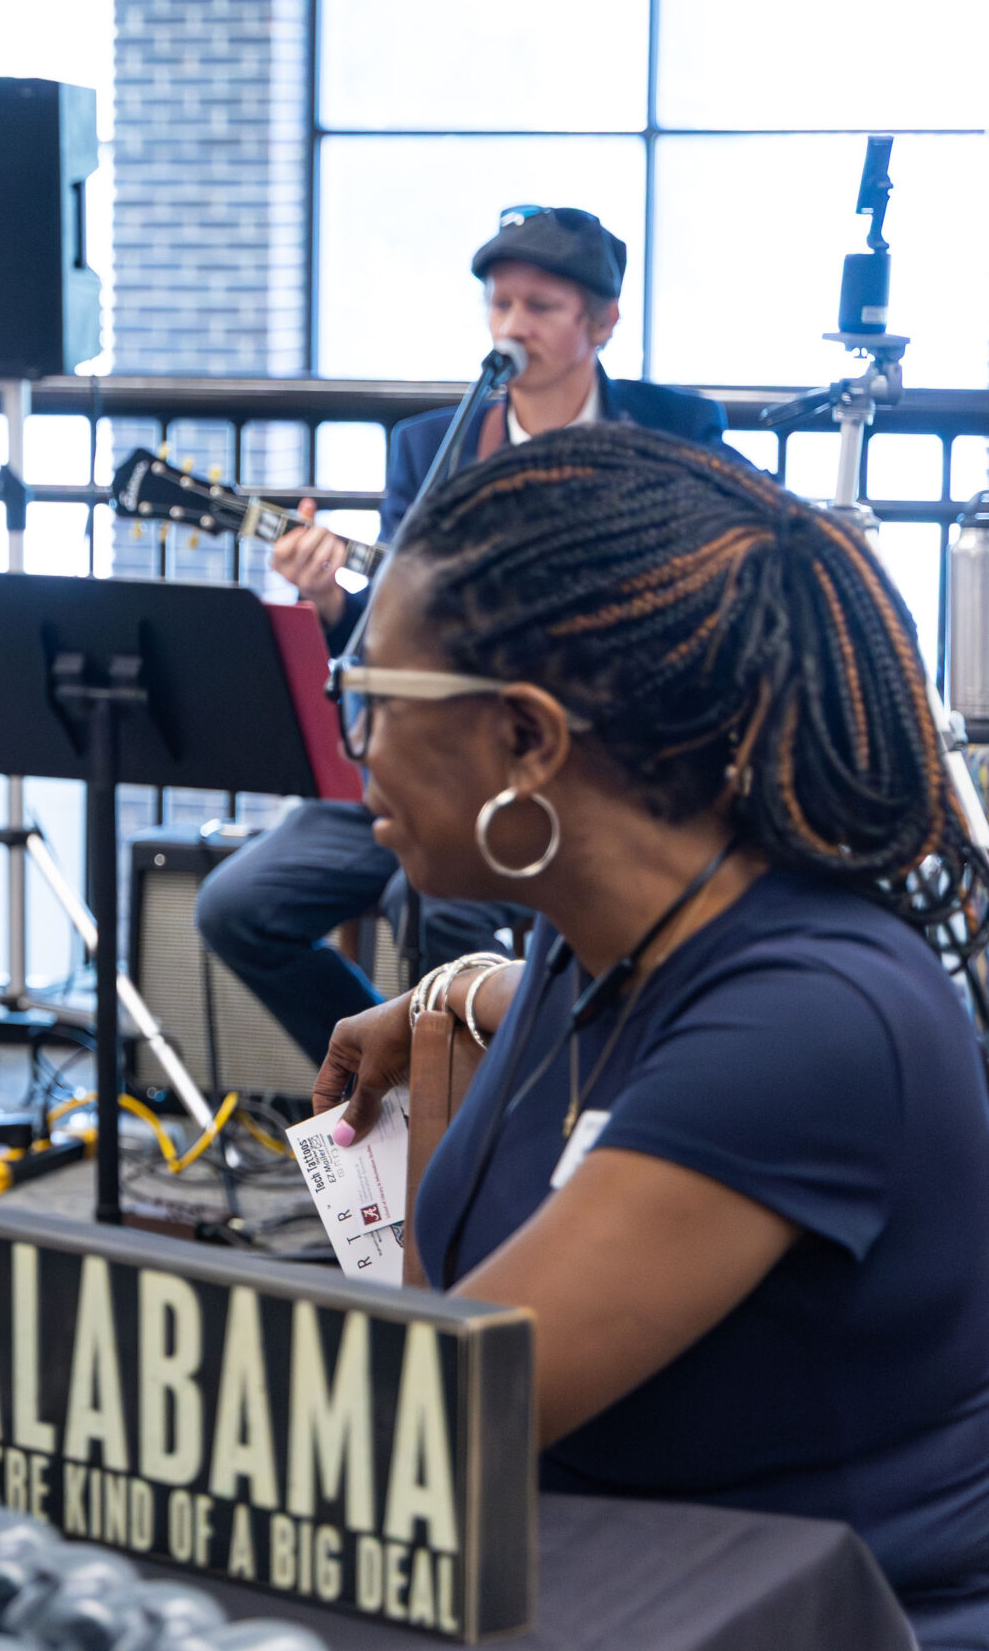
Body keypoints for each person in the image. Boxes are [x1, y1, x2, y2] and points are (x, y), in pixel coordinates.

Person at [0, 428, 989, 1649]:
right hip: (580, 1564)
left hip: (797, 1615)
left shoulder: (814, 1018)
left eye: (371, 690)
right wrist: (459, 992)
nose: (348, 743)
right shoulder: (603, 948)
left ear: (527, 739)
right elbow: (454, 1303)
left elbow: (427, 1415)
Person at [194, 205, 729, 1064]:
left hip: (597, 770)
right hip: (434, 758)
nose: (513, 325)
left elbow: (726, 586)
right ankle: (401, 1079)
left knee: (439, 896)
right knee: (238, 906)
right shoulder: (432, 449)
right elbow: (383, 637)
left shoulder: (675, 432)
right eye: (500, 302)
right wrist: (330, 596)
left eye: (541, 306)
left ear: (602, 322)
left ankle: (489, 1122)